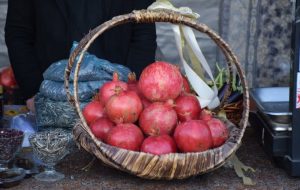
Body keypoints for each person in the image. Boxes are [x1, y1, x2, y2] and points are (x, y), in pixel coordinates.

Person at [5, 0, 157, 110]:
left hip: (117, 100)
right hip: (51, 96)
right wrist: (32, 91)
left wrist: (133, 89)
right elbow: (18, 33)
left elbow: (143, 34)